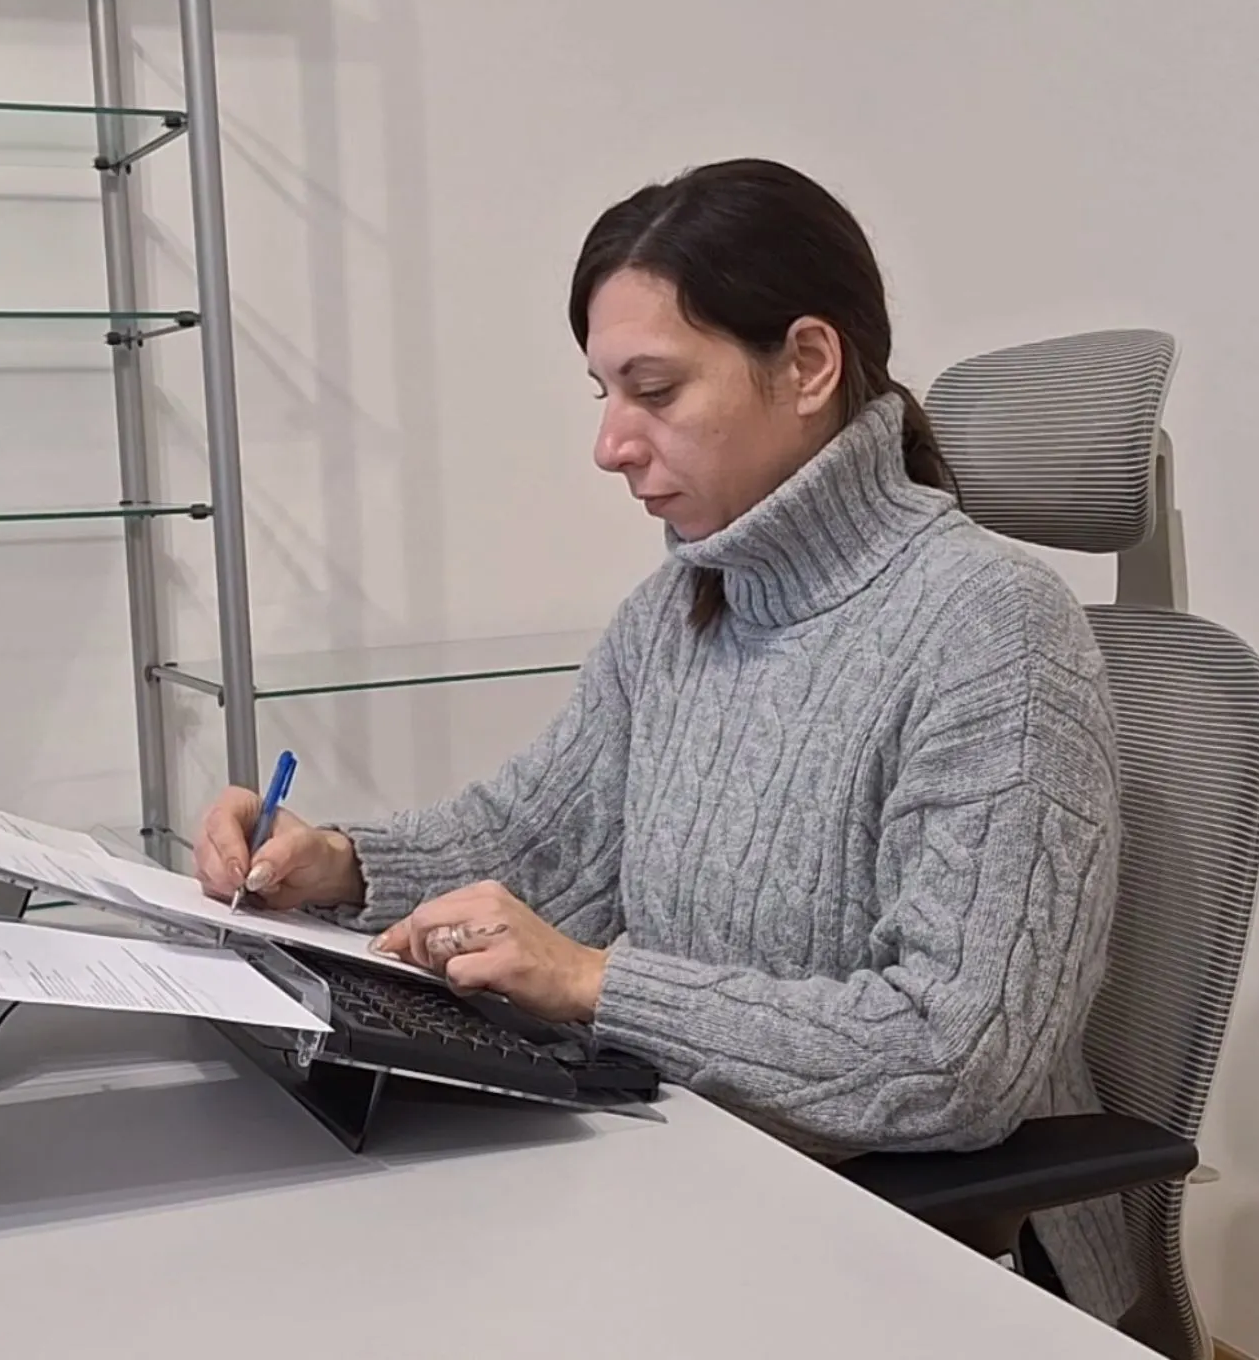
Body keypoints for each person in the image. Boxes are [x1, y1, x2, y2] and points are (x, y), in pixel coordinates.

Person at [193, 158, 1133, 1324]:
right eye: (604, 391)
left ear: (808, 362)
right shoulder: (680, 610)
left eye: (654, 389)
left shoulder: (993, 631)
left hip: (932, 1243)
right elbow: (539, 840)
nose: (610, 443)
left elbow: (960, 1056)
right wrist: (333, 860)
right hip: (702, 1165)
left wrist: (593, 980)